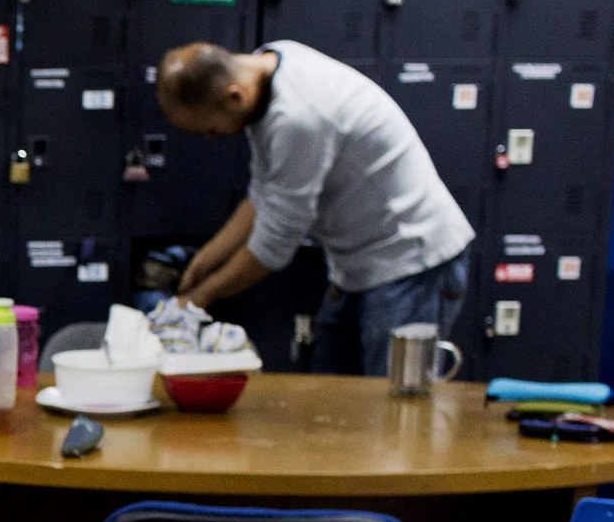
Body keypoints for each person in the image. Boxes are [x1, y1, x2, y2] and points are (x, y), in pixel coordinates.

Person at [158, 40, 474, 375]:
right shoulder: (269, 64)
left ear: (235, 96)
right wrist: (207, 258)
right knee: (335, 405)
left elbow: (274, 246)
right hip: (357, 267)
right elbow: (266, 190)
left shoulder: (299, 116)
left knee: (395, 417)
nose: (210, 138)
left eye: (210, 129)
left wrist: (197, 300)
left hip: (412, 266)